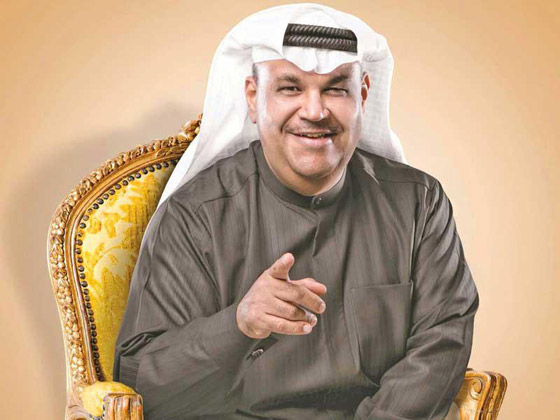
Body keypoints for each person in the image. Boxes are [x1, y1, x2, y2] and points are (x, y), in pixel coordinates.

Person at [113, 4, 479, 420]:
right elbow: (145, 386)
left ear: (362, 95)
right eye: (290, 88)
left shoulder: (418, 204)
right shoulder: (195, 216)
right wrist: (239, 324)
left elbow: (441, 346)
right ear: (253, 97)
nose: (315, 111)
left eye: (336, 89)